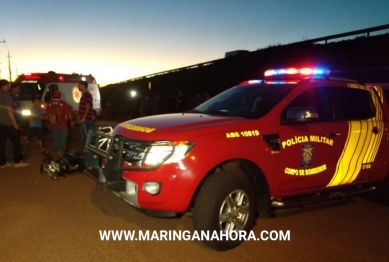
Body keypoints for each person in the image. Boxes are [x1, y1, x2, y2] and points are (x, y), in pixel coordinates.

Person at [0, 79, 28, 168]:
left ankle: (2, 163)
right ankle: (17, 161)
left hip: (1, 123)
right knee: (16, 142)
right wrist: (15, 122)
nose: (9, 86)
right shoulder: (7, 95)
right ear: (5, 85)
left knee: (1, 143)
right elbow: (9, 110)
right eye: (8, 85)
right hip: (9, 123)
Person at [46, 90, 74, 158]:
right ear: (60, 95)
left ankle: (56, 150)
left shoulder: (49, 103)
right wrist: (71, 121)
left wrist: (48, 123)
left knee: (55, 137)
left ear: (53, 95)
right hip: (63, 124)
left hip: (53, 124)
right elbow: (69, 113)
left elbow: (47, 115)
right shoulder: (63, 103)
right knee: (63, 137)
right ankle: (61, 151)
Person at [7, 83, 23, 160]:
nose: (19, 90)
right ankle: (12, 154)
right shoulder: (11, 97)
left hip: (17, 120)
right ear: (13, 89)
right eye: (17, 88)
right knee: (13, 139)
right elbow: (10, 110)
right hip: (14, 121)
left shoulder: (15, 97)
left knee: (14, 139)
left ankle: (13, 154)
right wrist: (14, 122)